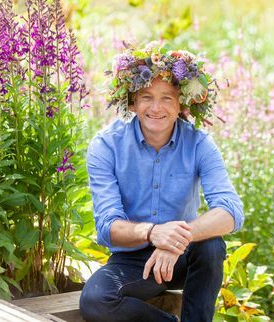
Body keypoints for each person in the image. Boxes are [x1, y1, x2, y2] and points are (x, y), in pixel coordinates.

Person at [79, 41, 244, 322]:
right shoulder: (106, 145)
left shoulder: (199, 144)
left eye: (167, 97)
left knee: (211, 246)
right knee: (96, 301)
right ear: (132, 101)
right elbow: (108, 227)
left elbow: (231, 211)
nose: (156, 108)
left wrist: (176, 239)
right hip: (132, 261)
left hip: (182, 256)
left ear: (182, 104)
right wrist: (153, 233)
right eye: (146, 97)